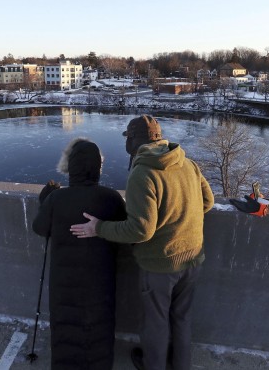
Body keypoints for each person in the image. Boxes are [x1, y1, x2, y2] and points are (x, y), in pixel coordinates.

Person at [70, 115, 214, 370]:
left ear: (134, 142)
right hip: (193, 257)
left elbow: (141, 230)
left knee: (156, 323)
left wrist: (98, 227)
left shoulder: (143, 173)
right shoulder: (188, 163)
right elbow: (207, 202)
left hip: (161, 265)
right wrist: (181, 220)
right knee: (181, 319)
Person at [32, 138, 127, 369]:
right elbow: (126, 233)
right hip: (100, 281)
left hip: (64, 283)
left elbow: (40, 228)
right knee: (100, 325)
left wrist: (44, 200)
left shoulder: (57, 199)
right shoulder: (111, 198)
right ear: (97, 168)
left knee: (66, 326)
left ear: (71, 167)